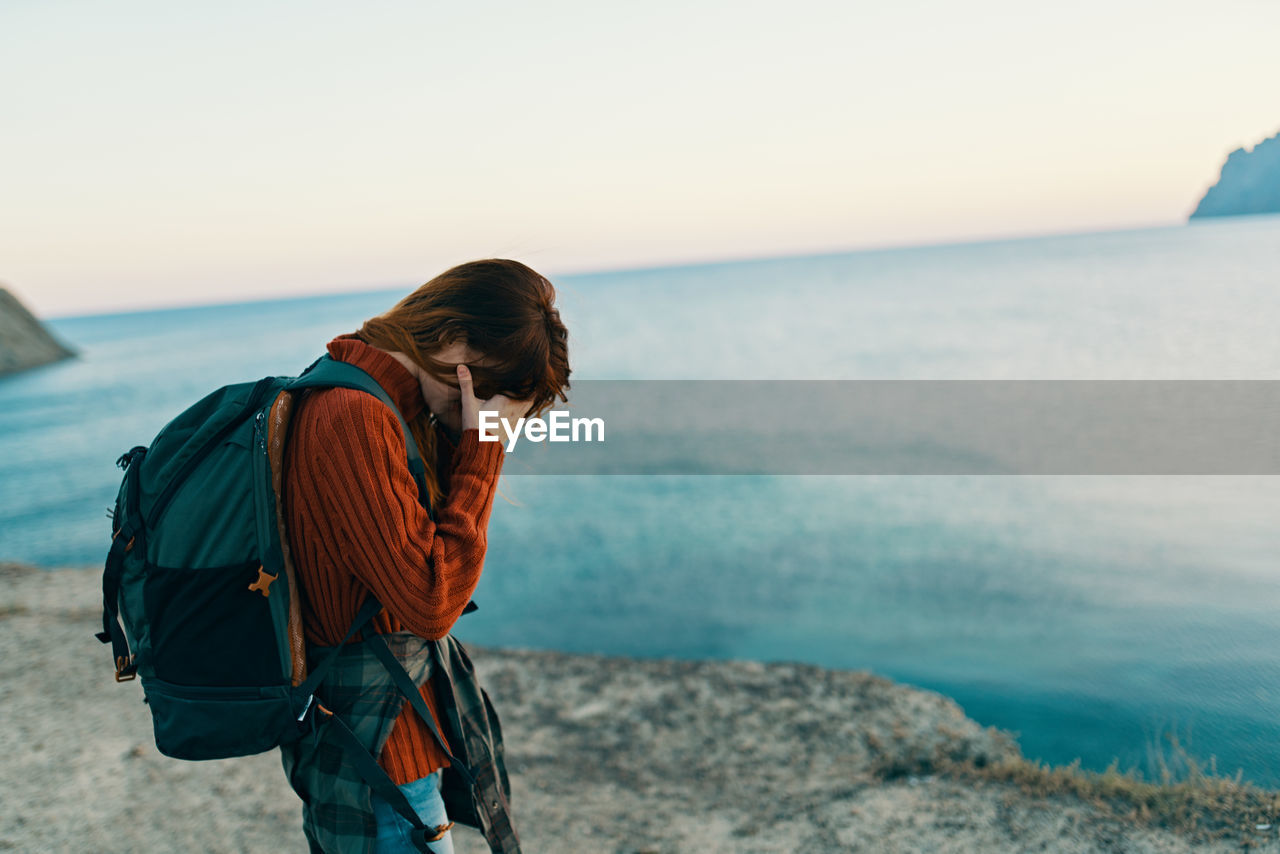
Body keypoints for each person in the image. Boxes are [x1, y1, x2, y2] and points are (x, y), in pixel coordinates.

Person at [278, 259, 570, 854]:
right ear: (452, 338)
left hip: (379, 738)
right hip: (377, 752)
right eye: (486, 390)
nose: (481, 411)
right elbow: (431, 602)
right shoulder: (354, 416)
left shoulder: (373, 400)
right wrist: (483, 446)